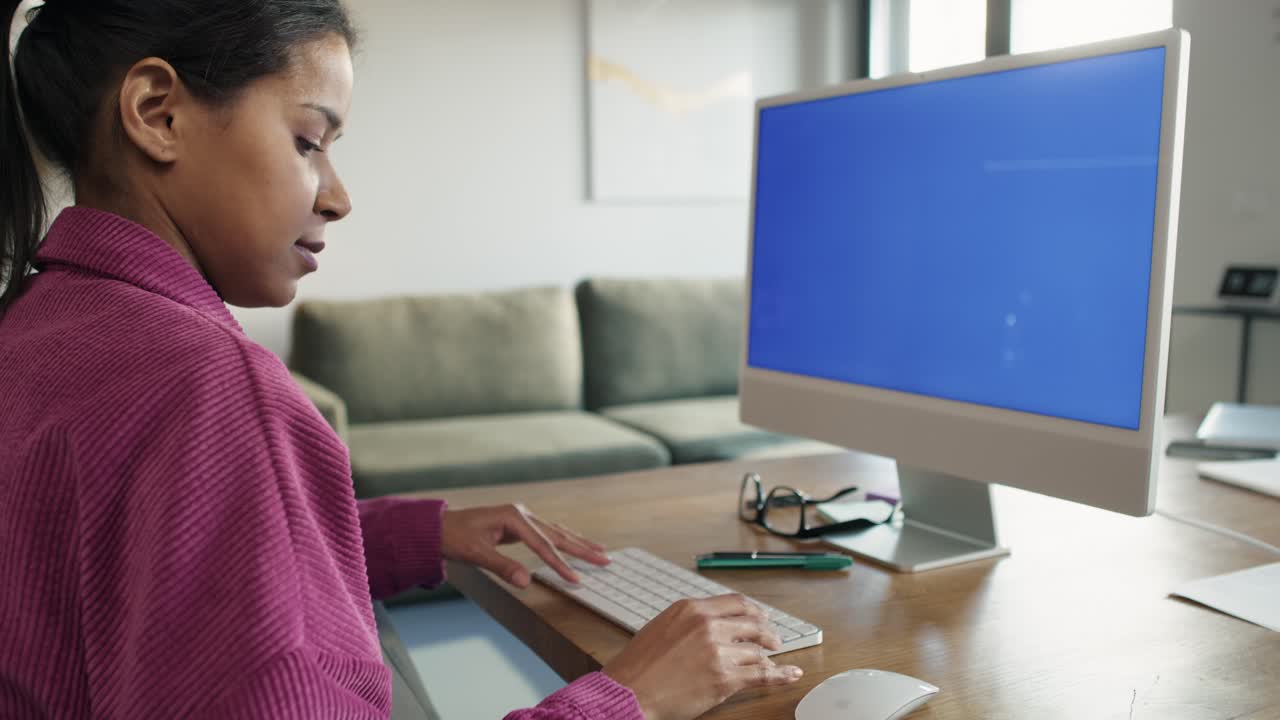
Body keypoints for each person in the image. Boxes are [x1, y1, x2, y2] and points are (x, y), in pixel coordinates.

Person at [0, 1, 804, 718]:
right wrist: (632, 697)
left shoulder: (40, 324)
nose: (337, 196)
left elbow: (143, 574)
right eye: (309, 141)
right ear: (157, 113)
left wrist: (407, 534)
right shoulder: (209, 383)